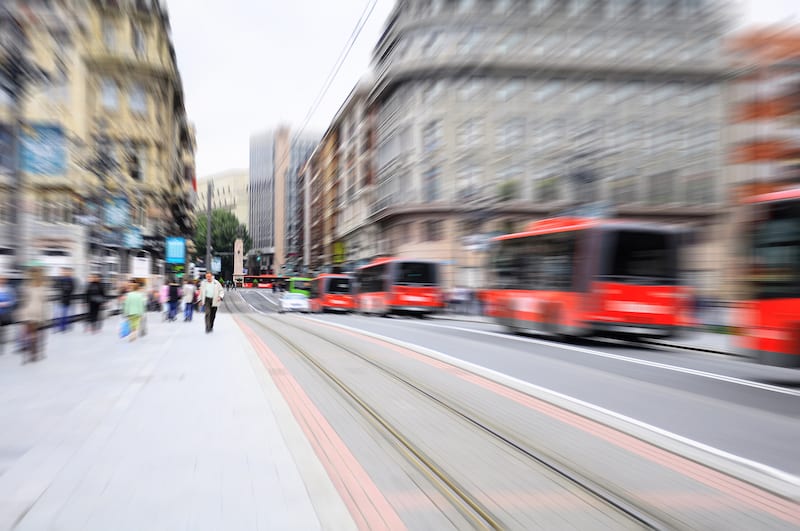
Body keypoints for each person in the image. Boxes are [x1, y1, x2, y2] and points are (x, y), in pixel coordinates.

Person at [18, 267, 49, 363]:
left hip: (28, 311)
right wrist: (45, 316)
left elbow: (23, 300)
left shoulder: (26, 286)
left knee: (27, 333)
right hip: (38, 312)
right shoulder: (43, 287)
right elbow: (44, 301)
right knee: (34, 333)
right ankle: (34, 353)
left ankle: (29, 352)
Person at [54, 267, 75, 332]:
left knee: (64, 314)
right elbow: (56, 286)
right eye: (63, 271)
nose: (64, 273)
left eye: (66, 271)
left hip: (66, 299)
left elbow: (72, 289)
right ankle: (60, 326)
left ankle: (63, 327)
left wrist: (66, 289)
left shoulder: (71, 280)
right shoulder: (60, 279)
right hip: (60, 299)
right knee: (59, 313)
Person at [0, 275, 16, 354]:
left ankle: (2, 346)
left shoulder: (9, 289)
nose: (1, 281)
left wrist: (7, 303)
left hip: (5, 313)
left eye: (3, 279)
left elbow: (13, 300)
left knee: (3, 330)